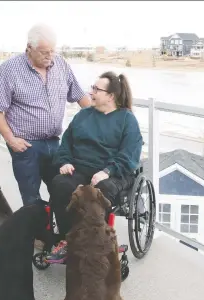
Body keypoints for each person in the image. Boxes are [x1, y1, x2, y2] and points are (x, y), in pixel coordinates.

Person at [0, 23, 91, 207]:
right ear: (29, 48)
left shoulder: (61, 64)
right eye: (44, 52)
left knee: (62, 191)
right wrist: (11, 139)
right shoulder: (9, 70)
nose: (50, 56)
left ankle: (56, 231)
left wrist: (102, 118)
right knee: (31, 198)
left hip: (55, 143)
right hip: (26, 146)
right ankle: (35, 233)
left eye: (52, 50)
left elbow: (80, 96)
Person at [45, 71, 143, 263]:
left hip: (114, 172)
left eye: (96, 89)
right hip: (81, 168)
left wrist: (107, 171)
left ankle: (95, 242)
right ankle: (68, 239)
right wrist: (65, 161)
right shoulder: (83, 115)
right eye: (92, 88)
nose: (91, 92)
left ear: (111, 96)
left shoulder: (126, 120)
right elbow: (66, 142)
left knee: (100, 192)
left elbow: (129, 153)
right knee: (60, 184)